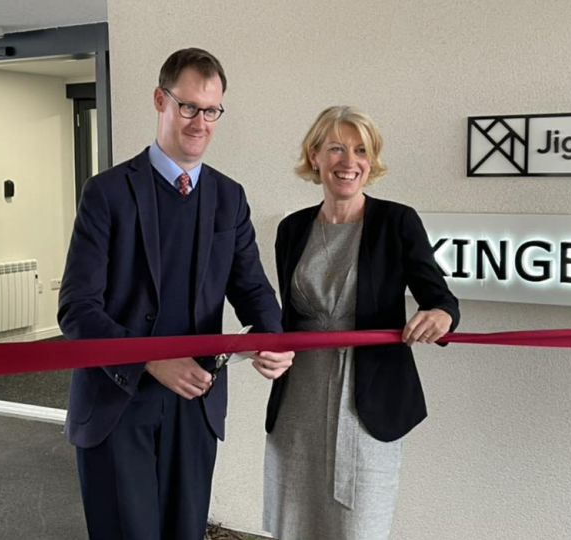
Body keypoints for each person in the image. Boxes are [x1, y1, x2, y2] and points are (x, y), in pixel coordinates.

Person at [58, 48, 294, 540]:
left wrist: (272, 335)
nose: (200, 122)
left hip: (196, 402)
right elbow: (77, 308)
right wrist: (151, 360)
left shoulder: (229, 197)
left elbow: (252, 287)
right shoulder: (106, 193)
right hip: (118, 401)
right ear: (160, 100)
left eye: (211, 110)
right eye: (188, 106)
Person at [262, 106, 460, 540]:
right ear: (315, 156)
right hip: (299, 401)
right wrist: (263, 345)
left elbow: (440, 298)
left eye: (360, 150)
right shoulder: (292, 229)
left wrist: (440, 315)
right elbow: (284, 319)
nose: (348, 161)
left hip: (368, 403)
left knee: (359, 528)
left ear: (370, 162)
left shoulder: (397, 221)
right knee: (293, 524)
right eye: (336, 148)